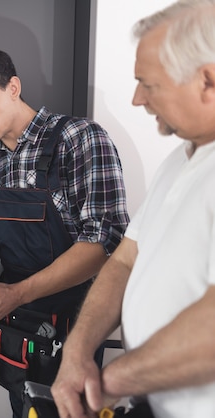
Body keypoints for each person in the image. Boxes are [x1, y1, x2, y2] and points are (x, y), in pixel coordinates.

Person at [0, 48, 130, 417]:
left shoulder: (78, 138)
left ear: (13, 87)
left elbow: (106, 242)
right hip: (17, 327)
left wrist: (18, 292)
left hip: (73, 327)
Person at [51, 2, 215, 417]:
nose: (136, 98)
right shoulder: (181, 159)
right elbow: (125, 259)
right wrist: (78, 351)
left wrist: (108, 383)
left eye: (149, 84)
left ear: (208, 81)